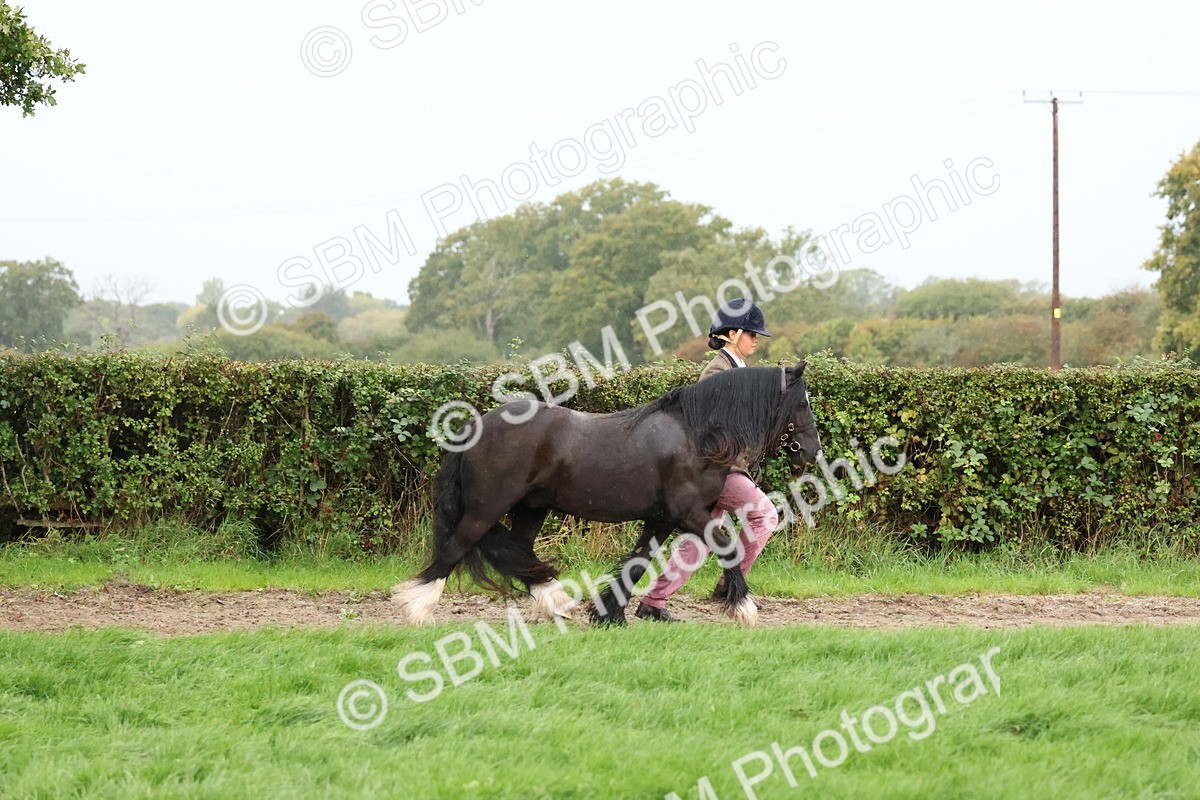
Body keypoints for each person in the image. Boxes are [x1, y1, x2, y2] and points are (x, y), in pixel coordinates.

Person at [635, 298, 781, 622]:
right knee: (764, 516)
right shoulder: (717, 370)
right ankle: (731, 585)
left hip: (725, 469)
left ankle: (653, 602)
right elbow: (710, 427)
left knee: (700, 540)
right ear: (733, 334)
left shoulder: (740, 371)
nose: (756, 340)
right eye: (751, 334)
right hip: (718, 469)